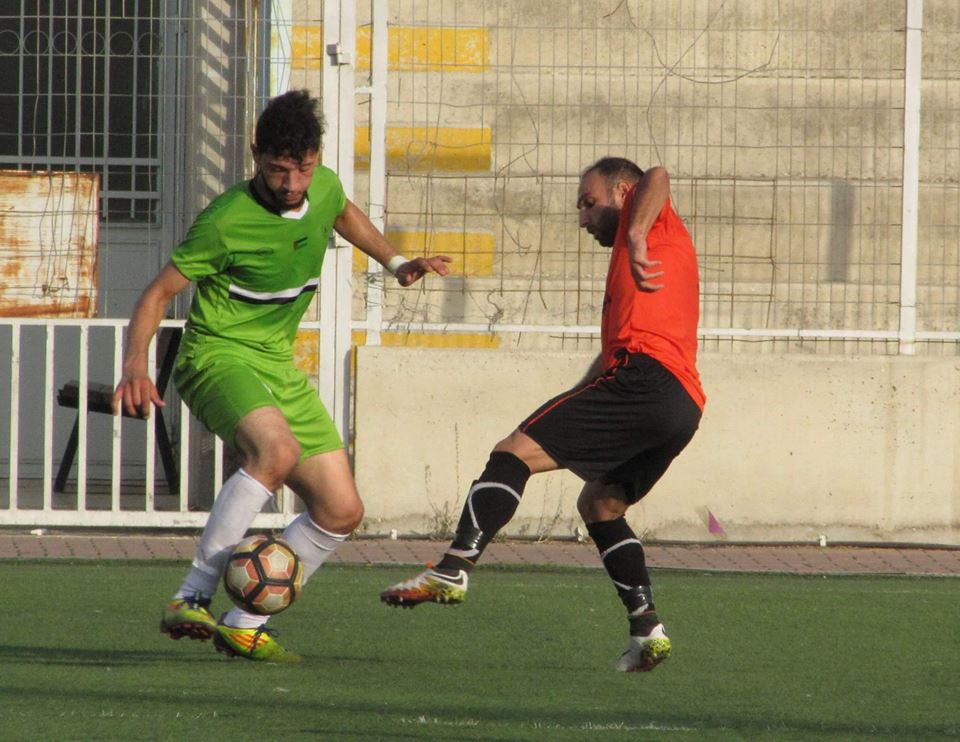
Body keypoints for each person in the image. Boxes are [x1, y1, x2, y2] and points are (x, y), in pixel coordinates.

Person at [113, 89, 450, 663]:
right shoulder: (225, 220)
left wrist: (396, 262)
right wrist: (135, 364)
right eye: (277, 170)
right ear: (255, 156)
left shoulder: (323, 186)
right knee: (276, 450)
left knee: (342, 509)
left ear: (315, 159)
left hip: (275, 363)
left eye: (302, 169)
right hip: (216, 357)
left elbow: (342, 210)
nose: (292, 185)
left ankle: (243, 621)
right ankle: (190, 594)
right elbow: (157, 293)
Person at [379, 157, 705, 673]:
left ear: (623, 191)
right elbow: (612, 355)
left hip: (644, 380)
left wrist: (638, 233)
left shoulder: (645, 222)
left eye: (588, 202)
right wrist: (575, 402)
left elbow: (660, 175)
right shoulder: (629, 263)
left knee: (512, 454)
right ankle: (647, 628)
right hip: (682, 406)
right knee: (601, 504)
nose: (581, 217)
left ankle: (453, 567)